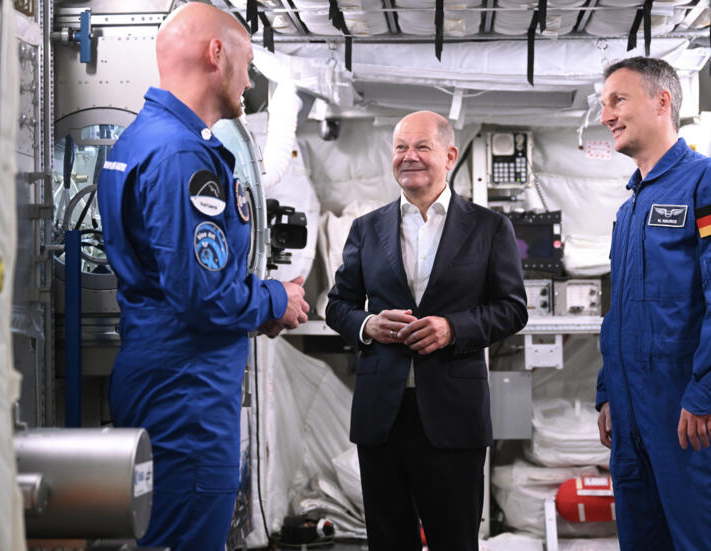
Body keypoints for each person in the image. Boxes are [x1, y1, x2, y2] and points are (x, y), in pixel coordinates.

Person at [97, 4, 309, 550]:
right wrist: (273, 300)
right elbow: (204, 296)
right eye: (244, 60)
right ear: (216, 54)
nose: (248, 79)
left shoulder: (142, 139)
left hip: (164, 377)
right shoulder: (181, 155)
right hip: (185, 394)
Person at [326, 111, 528, 550]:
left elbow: (512, 309)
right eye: (400, 147)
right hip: (384, 414)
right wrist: (367, 324)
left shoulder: (489, 228)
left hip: (454, 414)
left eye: (422, 147)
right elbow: (337, 305)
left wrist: (452, 329)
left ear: (450, 155)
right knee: (388, 539)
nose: (408, 157)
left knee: (454, 539)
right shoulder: (366, 228)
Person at [594, 56, 711, 550]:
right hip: (629, 412)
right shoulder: (630, 209)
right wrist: (607, 392)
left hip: (684, 407)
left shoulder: (710, 185)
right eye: (604, 105)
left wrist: (703, 390)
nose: (607, 115)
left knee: (703, 537)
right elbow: (619, 312)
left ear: (662, 101)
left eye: (618, 100)